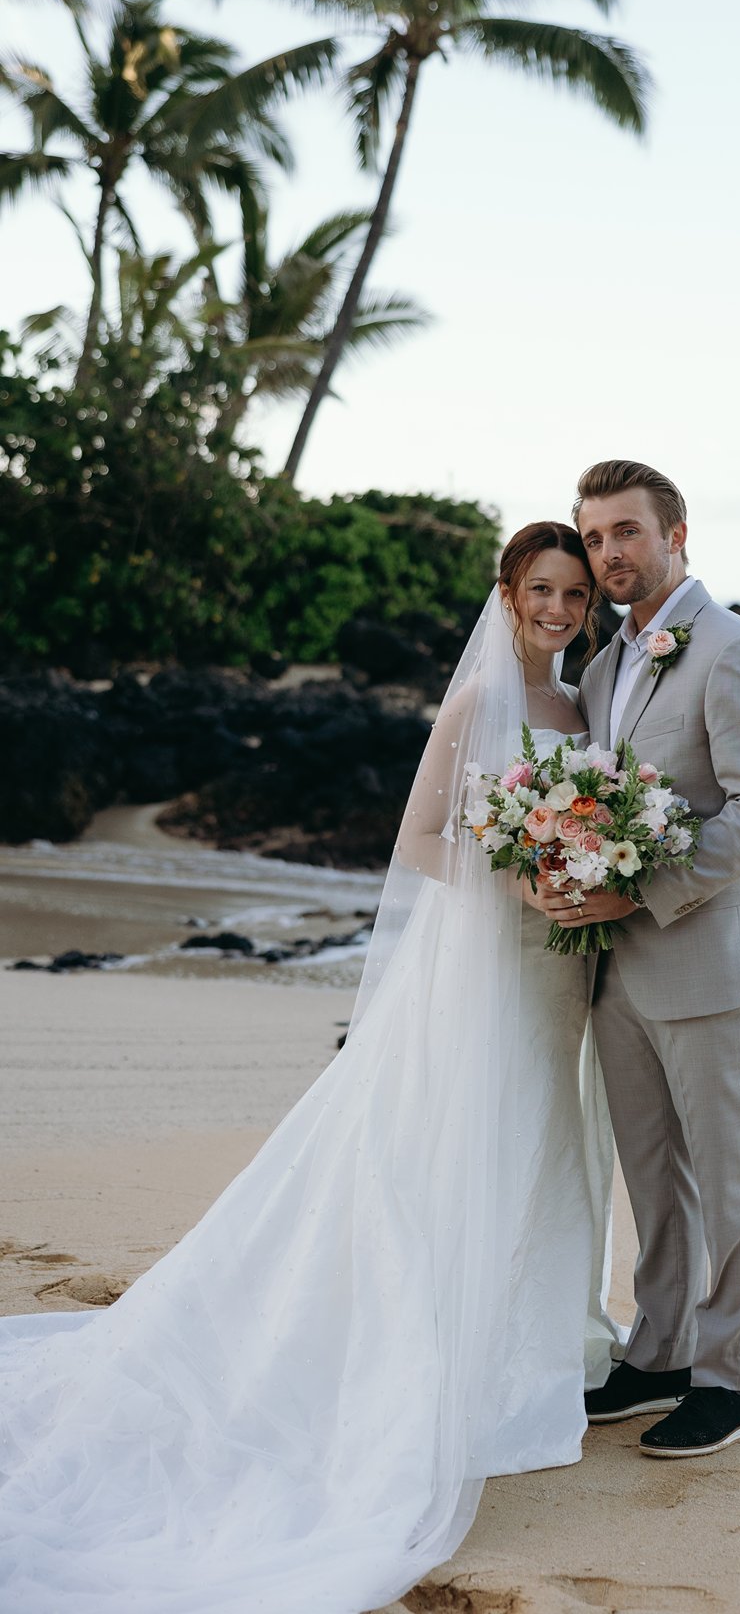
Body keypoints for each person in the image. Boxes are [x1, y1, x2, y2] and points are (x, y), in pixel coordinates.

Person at [0, 521, 623, 1614]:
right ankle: (423, 1363)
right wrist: (518, 874)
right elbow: (424, 836)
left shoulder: (586, 708)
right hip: (487, 968)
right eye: (542, 589)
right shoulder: (482, 705)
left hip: (566, 973)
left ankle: (530, 1357)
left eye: (575, 592)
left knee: (544, 1148)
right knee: (444, 1152)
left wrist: (584, 867)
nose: (561, 608)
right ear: (509, 594)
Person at [538, 460, 740, 1459]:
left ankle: (732, 1379)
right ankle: (659, 1352)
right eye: (595, 536)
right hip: (616, 969)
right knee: (653, 1176)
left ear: (676, 531)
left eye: (626, 533)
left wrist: (642, 890)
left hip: (703, 961)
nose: (609, 553)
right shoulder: (604, 670)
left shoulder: (736, 651)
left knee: (730, 1176)